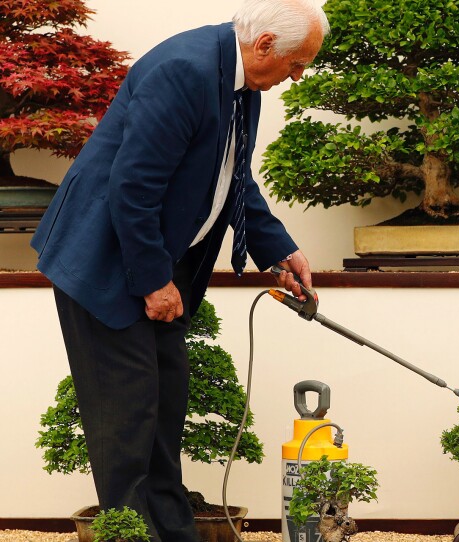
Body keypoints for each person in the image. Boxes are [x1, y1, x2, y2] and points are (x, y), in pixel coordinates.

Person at [30, 0, 330, 540]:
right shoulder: (184, 70)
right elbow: (134, 186)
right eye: (297, 63)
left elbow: (232, 177)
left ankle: (175, 534)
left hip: (156, 259)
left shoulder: (242, 81)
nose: (298, 76)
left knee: (165, 409)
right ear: (265, 44)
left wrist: (277, 249)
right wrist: (152, 281)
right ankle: (131, 534)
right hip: (105, 260)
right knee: (127, 421)